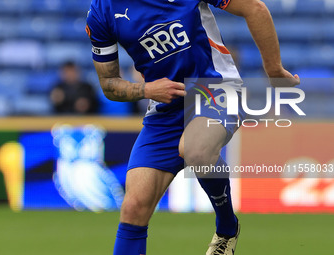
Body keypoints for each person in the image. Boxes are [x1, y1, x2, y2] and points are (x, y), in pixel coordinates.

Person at [86, 0, 300, 254]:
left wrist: (274, 70)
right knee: (133, 208)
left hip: (216, 88)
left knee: (195, 150)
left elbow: (255, 8)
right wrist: (146, 89)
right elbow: (109, 83)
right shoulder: (102, 11)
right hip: (164, 108)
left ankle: (227, 227)